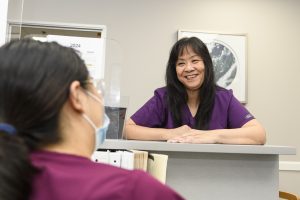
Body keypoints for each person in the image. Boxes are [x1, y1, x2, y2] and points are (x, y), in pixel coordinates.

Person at [0, 39, 184, 200]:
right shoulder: (132, 190)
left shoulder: (10, 179)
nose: (99, 96)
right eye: (94, 85)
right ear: (77, 96)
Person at [124, 37, 266, 145]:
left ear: (206, 64)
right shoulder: (163, 97)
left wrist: (212, 136)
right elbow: (128, 130)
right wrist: (169, 134)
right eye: (181, 63)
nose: (189, 68)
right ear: (174, 70)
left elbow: (259, 134)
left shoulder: (224, 98)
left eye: (195, 60)